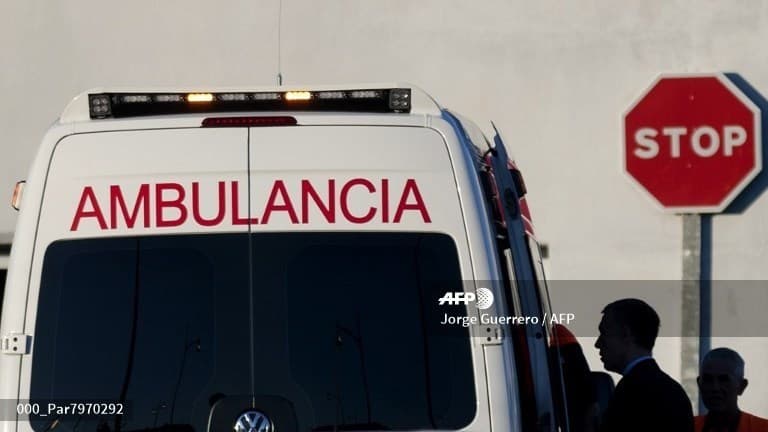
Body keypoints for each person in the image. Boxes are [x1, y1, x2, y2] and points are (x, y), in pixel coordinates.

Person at [594, 298, 693, 432]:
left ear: (625, 334)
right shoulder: (674, 391)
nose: (598, 343)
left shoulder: (630, 393)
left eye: (604, 333)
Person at [695, 347, 768, 432]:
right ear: (699, 384)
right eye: (708, 380)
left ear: (741, 386)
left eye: (723, 380)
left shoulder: (762, 428)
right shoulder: (685, 426)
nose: (715, 388)